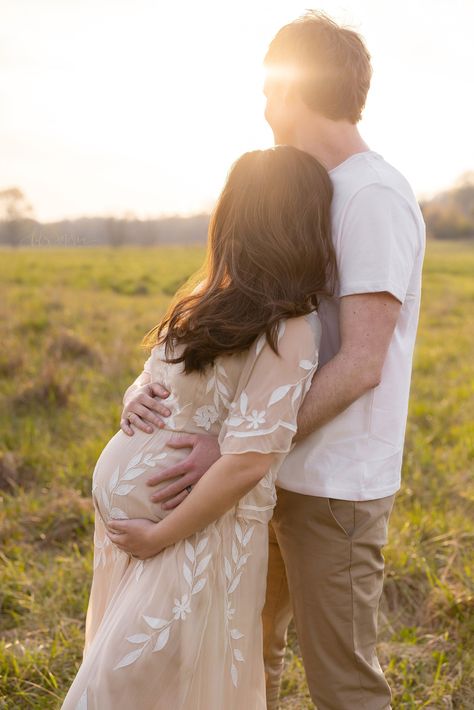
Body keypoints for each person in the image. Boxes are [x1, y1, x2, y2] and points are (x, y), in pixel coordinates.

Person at [123, 12, 426, 710]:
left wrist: (232, 444)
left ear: (296, 88)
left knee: (344, 682)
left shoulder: (372, 196)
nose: (262, 106)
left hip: (333, 487)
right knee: (246, 654)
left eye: (269, 89)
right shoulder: (309, 190)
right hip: (269, 471)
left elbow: (361, 364)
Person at [60, 145, 336, 709]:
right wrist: (132, 395)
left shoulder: (291, 329)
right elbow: (157, 373)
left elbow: (251, 460)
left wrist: (160, 534)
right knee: (134, 687)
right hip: (140, 543)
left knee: (121, 688)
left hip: (191, 539)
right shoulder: (209, 295)